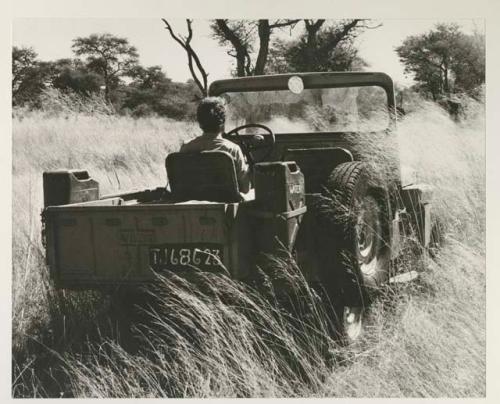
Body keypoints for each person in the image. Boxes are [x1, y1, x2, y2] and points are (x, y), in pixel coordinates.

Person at [180, 97, 251, 193]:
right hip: (226, 200)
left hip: (193, 200)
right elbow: (245, 188)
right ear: (222, 123)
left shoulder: (186, 147)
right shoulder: (233, 149)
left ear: (200, 123)